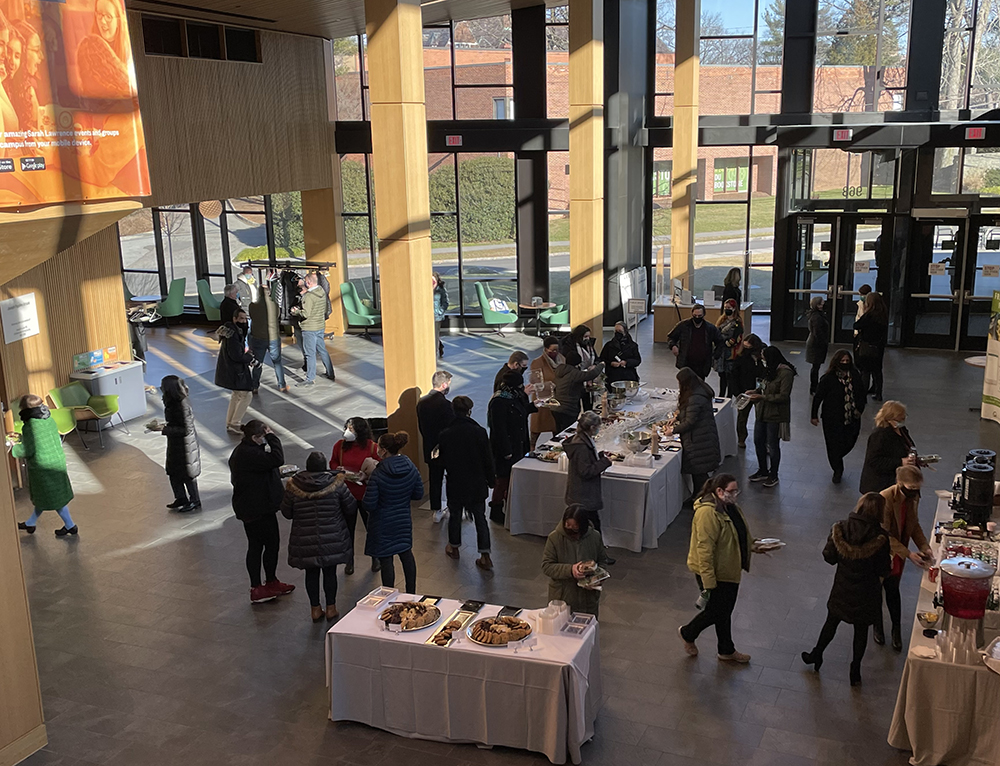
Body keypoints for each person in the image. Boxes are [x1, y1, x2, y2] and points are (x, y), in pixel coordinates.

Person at [801, 492, 891, 687]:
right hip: (867, 593)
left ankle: (817, 654)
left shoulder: (840, 528)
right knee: (861, 631)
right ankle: (855, 670)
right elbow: (884, 569)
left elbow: (829, 557)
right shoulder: (881, 538)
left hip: (842, 588)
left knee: (831, 623)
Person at [679, 474, 762, 663]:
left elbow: (739, 534)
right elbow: (704, 551)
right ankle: (687, 632)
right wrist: (709, 583)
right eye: (732, 491)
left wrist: (754, 546)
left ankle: (726, 649)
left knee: (724, 611)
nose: (736, 494)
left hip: (729, 569)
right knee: (717, 612)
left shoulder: (730, 508)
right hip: (714, 572)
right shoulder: (707, 514)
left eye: (736, 491)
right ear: (719, 491)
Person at [281, 451, 356, 623]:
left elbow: (286, 512)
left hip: (305, 538)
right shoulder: (337, 484)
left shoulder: (293, 486)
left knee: (311, 573)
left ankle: (315, 609)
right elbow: (351, 507)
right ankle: (331, 608)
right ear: (325, 467)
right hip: (331, 536)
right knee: (330, 572)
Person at [229, 420, 295, 604]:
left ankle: (269, 581)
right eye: (263, 437)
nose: (265, 440)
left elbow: (262, 469)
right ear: (255, 437)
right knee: (261, 546)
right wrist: (273, 437)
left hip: (257, 506)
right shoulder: (248, 453)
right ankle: (258, 587)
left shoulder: (245, 451)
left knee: (266, 545)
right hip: (256, 508)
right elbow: (277, 458)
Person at [876, 465, 934, 651]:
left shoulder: (912, 498)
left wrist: (924, 546)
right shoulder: (884, 498)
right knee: (877, 591)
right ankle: (878, 626)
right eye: (911, 489)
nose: (915, 494)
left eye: (917, 489)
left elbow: (913, 524)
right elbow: (883, 534)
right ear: (899, 483)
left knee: (893, 591)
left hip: (899, 552)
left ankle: (896, 630)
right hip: (882, 552)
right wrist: (909, 553)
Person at [438, 396, 496, 570]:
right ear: (469, 410)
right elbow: (488, 459)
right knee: (480, 518)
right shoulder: (479, 432)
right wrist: (491, 480)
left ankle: (454, 547)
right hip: (476, 482)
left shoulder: (445, 434)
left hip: (456, 482)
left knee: (455, 515)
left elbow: (442, 461)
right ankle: (485, 555)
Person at [363, 432, 424, 594]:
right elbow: (418, 494)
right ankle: (411, 592)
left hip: (382, 522)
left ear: (383, 450)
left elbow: (369, 504)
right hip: (403, 519)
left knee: (386, 559)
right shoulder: (411, 467)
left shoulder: (378, 473)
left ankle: (389, 595)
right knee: (406, 554)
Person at [14, 395, 77, 536]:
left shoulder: (30, 426)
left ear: (25, 409)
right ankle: (31, 523)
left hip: (43, 467)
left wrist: (13, 447)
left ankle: (70, 525)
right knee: (48, 496)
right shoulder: (48, 419)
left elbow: (28, 450)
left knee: (51, 498)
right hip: (57, 461)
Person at [330, 416, 381, 574]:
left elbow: (379, 466)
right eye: (347, 428)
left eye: (351, 429)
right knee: (347, 530)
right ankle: (349, 560)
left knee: (371, 528)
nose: (348, 431)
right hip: (346, 494)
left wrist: (366, 474)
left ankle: (375, 557)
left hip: (366, 494)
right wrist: (338, 469)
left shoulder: (372, 447)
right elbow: (332, 462)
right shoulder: (339, 446)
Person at [541, 505, 610, 618]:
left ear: (582, 526)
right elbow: (547, 566)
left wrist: (598, 578)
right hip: (563, 597)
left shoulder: (594, 537)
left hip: (588, 599)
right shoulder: (554, 538)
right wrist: (570, 570)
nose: (571, 530)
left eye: (575, 527)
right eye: (568, 525)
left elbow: (602, 561)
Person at [563, 411, 613, 559]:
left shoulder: (582, 440)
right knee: (593, 526)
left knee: (589, 525)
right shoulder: (581, 446)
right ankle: (598, 555)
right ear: (591, 427)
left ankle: (594, 554)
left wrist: (601, 456)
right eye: (598, 426)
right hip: (584, 494)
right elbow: (585, 471)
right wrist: (604, 463)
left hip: (580, 493)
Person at [810, 350, 866, 484]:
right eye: (843, 361)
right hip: (832, 418)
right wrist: (814, 415)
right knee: (833, 445)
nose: (845, 363)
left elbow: (861, 394)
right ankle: (837, 469)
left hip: (852, 416)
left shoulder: (855, 376)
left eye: (847, 361)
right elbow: (818, 397)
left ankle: (837, 457)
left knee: (850, 440)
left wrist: (859, 409)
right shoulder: (828, 378)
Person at [488, 370, 537, 520]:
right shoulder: (498, 401)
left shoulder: (514, 396)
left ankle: (510, 507)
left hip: (519, 442)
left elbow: (520, 412)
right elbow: (499, 429)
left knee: (513, 478)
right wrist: (506, 451)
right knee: (503, 479)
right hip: (507, 447)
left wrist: (533, 406)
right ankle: (496, 509)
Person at [664, 368, 721, 496]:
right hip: (703, 438)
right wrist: (677, 418)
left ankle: (702, 499)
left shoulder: (695, 398)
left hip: (699, 441)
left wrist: (673, 430)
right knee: (699, 475)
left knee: (700, 474)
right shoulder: (699, 391)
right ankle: (698, 496)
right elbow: (691, 413)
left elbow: (690, 422)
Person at [747, 346, 796, 488]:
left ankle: (773, 474)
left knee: (773, 445)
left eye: (763, 357)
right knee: (758, 440)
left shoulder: (786, 373)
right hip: (761, 412)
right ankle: (762, 470)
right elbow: (763, 385)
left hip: (775, 415)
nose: (762, 360)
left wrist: (762, 396)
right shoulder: (769, 370)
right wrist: (754, 391)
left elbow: (783, 396)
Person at [415, 370, 454, 523]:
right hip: (446, 448)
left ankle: (436, 510)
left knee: (434, 479)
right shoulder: (446, 405)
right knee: (451, 478)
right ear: (444, 384)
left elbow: (421, 428)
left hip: (430, 447)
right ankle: (452, 506)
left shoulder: (422, 403)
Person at [158, 375, 201, 512]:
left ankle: (194, 500)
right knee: (173, 472)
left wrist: (165, 429)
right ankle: (181, 497)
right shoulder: (172, 401)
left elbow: (186, 429)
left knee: (187, 473)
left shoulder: (181, 404)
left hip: (185, 445)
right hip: (176, 443)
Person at [76, 0, 131, 100]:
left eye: (108, 16)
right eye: (99, 14)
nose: (102, 21)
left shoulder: (129, 48)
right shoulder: (89, 48)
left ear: (119, 21)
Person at [859, 400, 915, 494]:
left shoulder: (901, 430)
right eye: (900, 417)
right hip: (880, 485)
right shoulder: (880, 435)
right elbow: (874, 460)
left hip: (893, 480)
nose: (903, 418)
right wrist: (901, 461)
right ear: (890, 418)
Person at [215, 308, 256, 434]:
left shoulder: (230, 331)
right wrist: (249, 357)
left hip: (229, 369)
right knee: (246, 395)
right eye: (241, 318)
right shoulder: (234, 334)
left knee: (236, 395)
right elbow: (236, 355)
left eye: (245, 318)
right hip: (236, 370)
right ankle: (235, 423)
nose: (244, 321)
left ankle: (230, 422)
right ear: (235, 319)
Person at [293, 272, 335, 386]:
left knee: (309, 353)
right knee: (322, 350)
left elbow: (305, 313)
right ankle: (330, 372)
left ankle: (310, 378)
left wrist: (296, 311)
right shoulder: (321, 291)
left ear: (308, 282)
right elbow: (325, 308)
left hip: (309, 328)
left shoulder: (309, 297)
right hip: (320, 326)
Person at [551, 350, 604, 435]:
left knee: (559, 433)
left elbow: (570, 386)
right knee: (568, 433)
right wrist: (601, 364)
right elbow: (591, 374)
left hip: (555, 407)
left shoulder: (560, 370)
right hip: (568, 409)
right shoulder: (574, 373)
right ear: (578, 363)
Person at [666, 304, 724, 381]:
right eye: (695, 315)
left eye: (699, 316)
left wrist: (714, 356)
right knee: (686, 385)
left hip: (702, 365)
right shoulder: (683, 325)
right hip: (686, 362)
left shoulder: (710, 328)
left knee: (699, 386)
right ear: (692, 314)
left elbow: (720, 342)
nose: (697, 318)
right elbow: (671, 337)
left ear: (704, 315)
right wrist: (673, 346)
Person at [248, 286, 288, 394]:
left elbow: (251, 317)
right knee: (277, 362)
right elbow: (277, 316)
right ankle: (281, 385)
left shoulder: (252, 306)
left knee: (258, 363)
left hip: (258, 338)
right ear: (269, 293)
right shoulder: (274, 305)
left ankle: (254, 386)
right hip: (273, 337)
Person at [730, 334, 765, 449]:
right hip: (744, 391)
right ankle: (741, 438)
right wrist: (737, 392)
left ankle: (763, 440)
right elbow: (734, 376)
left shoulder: (762, 357)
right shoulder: (741, 358)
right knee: (742, 417)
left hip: (759, 391)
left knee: (762, 417)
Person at [528, 336, 563, 449]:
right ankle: (531, 448)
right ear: (545, 349)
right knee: (537, 427)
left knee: (556, 426)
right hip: (542, 399)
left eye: (556, 350)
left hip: (556, 398)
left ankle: (558, 447)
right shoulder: (537, 362)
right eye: (552, 350)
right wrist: (549, 384)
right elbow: (534, 381)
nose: (555, 352)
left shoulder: (562, 359)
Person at [854, 291, 888, 401]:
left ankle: (862, 395)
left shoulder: (869, 316)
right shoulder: (883, 314)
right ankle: (878, 393)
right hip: (878, 346)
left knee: (865, 371)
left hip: (867, 346)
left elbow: (857, 325)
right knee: (877, 371)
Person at [561, 325, 597, 410]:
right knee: (576, 405)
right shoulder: (569, 347)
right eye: (585, 336)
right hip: (576, 378)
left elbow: (596, 357)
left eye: (588, 336)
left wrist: (595, 365)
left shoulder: (589, 345)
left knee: (588, 403)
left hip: (588, 378)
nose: (587, 339)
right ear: (579, 336)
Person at [713, 300, 743, 397]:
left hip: (730, 352)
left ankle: (729, 396)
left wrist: (728, 342)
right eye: (725, 308)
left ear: (734, 309)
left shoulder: (737, 322)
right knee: (722, 375)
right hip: (721, 351)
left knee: (729, 375)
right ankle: (721, 395)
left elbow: (737, 337)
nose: (727, 309)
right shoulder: (722, 320)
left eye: (729, 308)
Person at [805, 296, 830, 395]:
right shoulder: (817, 317)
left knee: (816, 366)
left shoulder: (815, 315)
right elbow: (818, 333)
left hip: (815, 343)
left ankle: (814, 386)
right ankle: (813, 387)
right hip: (816, 345)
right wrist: (823, 342)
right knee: (815, 366)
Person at [432, 273, 448, 359]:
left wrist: (439, 312)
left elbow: (445, 302)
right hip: (426, 317)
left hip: (436, 317)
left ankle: (434, 353)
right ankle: (440, 345)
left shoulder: (440, 290)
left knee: (435, 335)